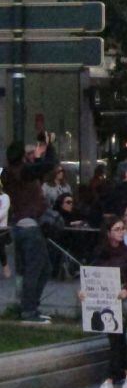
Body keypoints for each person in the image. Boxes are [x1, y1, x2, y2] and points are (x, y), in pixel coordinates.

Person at [4, 138, 59, 322]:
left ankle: (29, 307)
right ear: (22, 157)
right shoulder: (24, 172)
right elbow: (49, 164)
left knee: (39, 268)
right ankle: (29, 310)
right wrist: (50, 144)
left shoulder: (9, 173)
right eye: (27, 154)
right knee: (36, 270)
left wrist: (35, 158)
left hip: (20, 226)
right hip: (30, 226)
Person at [85, 216, 127, 388]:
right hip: (105, 301)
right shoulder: (99, 252)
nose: (121, 232)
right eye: (117, 229)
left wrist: (126, 290)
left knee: (116, 336)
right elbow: (91, 275)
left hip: (122, 300)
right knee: (116, 337)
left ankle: (110, 377)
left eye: (122, 229)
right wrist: (84, 292)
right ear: (108, 233)